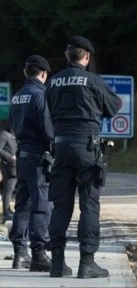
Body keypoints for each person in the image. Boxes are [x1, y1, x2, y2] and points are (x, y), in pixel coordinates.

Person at [45, 36, 121, 278]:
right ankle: (87, 263)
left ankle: (57, 264)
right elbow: (114, 106)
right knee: (89, 205)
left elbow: (45, 112)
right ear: (86, 57)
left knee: (60, 206)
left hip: (60, 148)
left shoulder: (54, 81)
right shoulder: (93, 81)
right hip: (87, 149)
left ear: (68, 55)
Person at [8, 55, 53, 271]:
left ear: (26, 72)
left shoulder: (17, 96)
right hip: (38, 157)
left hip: (22, 154)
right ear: (43, 73)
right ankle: (39, 254)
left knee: (22, 205)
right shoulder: (40, 95)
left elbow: (13, 126)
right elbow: (47, 129)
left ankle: (19, 253)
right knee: (41, 205)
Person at [0, 126, 17, 223]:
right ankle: (6, 211)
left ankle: (8, 210)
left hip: (15, 166)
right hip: (8, 166)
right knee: (8, 188)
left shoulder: (14, 136)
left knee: (11, 188)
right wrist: (9, 157)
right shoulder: (4, 135)